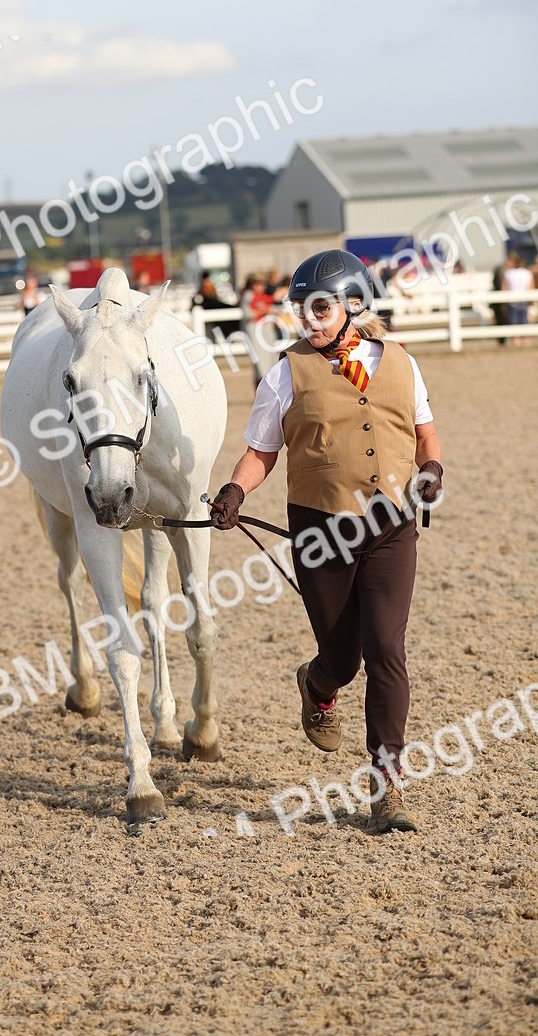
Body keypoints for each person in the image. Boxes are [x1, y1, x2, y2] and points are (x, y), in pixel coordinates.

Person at [210, 249, 443, 835]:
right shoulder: (285, 372)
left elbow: (424, 433)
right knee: (343, 657)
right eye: (300, 309)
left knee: (387, 649)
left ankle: (388, 787)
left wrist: (433, 468)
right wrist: (236, 490)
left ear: (353, 305)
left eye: (319, 308)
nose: (307, 320)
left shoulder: (401, 363)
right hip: (321, 532)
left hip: (391, 528)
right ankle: (317, 684)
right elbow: (264, 451)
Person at [502, 253, 533, 348]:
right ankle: (526, 345)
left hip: (512, 303)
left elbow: (504, 288)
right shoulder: (527, 273)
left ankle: (516, 345)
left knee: (514, 325)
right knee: (525, 323)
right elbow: (531, 287)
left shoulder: (508, 274)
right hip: (524, 302)